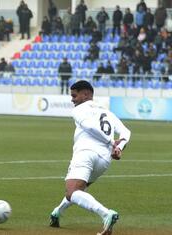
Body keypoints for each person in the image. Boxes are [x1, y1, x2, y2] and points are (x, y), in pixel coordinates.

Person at [49, 80, 131, 235]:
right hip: (104, 159)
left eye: (74, 95)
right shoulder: (107, 112)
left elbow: (90, 127)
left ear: (86, 94)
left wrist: (112, 142)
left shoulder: (79, 110)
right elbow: (127, 132)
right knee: (78, 191)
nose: (72, 99)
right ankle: (57, 213)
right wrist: (118, 147)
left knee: (72, 192)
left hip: (86, 152)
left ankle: (106, 214)